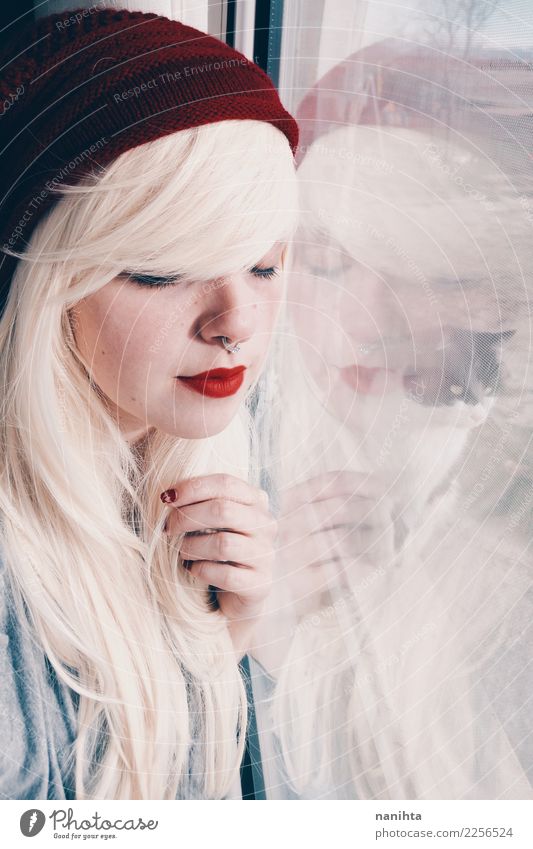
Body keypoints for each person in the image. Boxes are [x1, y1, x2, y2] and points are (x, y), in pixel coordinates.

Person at [0, 8, 299, 800]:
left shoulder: (206, 476)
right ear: (47, 286)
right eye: (164, 272)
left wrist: (222, 638)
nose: (235, 324)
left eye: (265, 266)